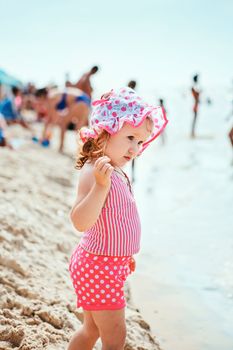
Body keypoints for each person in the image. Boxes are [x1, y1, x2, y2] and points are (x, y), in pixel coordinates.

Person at [68, 87, 168, 350]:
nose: (135, 148)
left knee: (91, 330)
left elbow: (116, 218)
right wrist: (100, 187)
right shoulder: (96, 171)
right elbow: (80, 221)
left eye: (140, 142)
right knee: (115, 337)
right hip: (98, 268)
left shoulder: (115, 168)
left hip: (107, 264)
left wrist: (125, 254)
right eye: (130, 137)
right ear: (105, 131)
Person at [35, 87, 91, 152]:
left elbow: (49, 120)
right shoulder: (54, 93)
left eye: (38, 99)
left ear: (41, 96)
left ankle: (61, 147)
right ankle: (85, 150)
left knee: (63, 123)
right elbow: (54, 119)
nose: (39, 102)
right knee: (78, 129)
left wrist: (44, 137)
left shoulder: (50, 97)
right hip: (85, 100)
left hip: (79, 100)